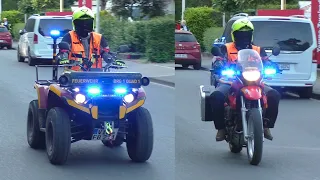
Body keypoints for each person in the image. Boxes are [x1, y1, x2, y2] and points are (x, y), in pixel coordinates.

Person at [210, 18, 281, 141]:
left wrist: (273, 66)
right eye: (240, 34)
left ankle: (266, 126)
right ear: (234, 35)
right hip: (231, 81)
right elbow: (219, 59)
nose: (244, 37)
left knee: (274, 95)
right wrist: (218, 65)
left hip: (255, 81)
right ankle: (221, 128)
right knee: (216, 96)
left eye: (247, 34)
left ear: (251, 35)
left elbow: (265, 60)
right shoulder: (226, 48)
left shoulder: (258, 50)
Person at [57, 6, 123, 71]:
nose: (84, 25)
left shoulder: (99, 38)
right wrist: (63, 58)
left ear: (92, 23)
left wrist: (113, 60)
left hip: (95, 75)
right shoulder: (69, 36)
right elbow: (63, 52)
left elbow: (106, 53)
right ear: (74, 23)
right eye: (80, 23)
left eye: (87, 23)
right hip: (73, 76)